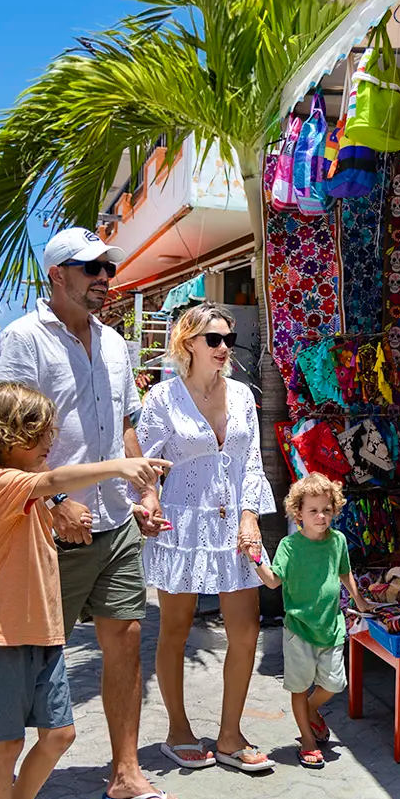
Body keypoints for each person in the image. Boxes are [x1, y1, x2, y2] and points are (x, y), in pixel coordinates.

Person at [0, 226, 181, 799]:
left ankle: (125, 773)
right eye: (90, 268)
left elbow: (124, 426)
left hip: (116, 521)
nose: (103, 278)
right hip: (51, 526)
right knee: (34, 652)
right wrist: (50, 504)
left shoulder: (117, 345)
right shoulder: (23, 340)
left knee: (125, 638)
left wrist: (144, 492)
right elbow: (3, 437)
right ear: (57, 275)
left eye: (107, 269)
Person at [0, 380, 171, 799]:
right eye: (37, 433)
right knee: (5, 746)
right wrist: (119, 466)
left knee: (59, 735)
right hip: (1, 640)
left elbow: (51, 489)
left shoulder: (31, 493)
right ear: (3, 435)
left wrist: (130, 511)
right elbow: (54, 479)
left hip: (44, 636)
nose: (49, 441)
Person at [138, 304, 277, 773]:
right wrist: (147, 500)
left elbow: (252, 461)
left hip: (235, 526)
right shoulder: (162, 398)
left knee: (246, 630)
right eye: (213, 340)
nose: (223, 349)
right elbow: (144, 465)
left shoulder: (241, 396)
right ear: (188, 344)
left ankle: (230, 735)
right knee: (174, 631)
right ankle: (178, 730)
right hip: (181, 525)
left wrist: (251, 515)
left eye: (228, 341)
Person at [248, 472, 369, 770]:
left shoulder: (338, 541)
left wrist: (360, 599)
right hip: (299, 630)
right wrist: (255, 559)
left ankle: (311, 711)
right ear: (298, 512)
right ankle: (308, 740)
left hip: (331, 626)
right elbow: (274, 582)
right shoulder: (291, 546)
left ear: (335, 510)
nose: (321, 516)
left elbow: (345, 573)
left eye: (327, 510)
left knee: (335, 684)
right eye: (313, 510)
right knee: (299, 688)